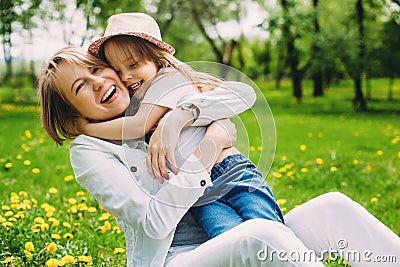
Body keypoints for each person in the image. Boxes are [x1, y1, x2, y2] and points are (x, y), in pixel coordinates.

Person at [38, 45, 400, 267]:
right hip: (180, 257)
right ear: (72, 115)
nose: (99, 80)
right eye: (81, 86)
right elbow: (154, 222)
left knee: (332, 208)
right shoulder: (89, 150)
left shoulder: (152, 102)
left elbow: (235, 96)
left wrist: (185, 116)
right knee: (261, 234)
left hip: (231, 235)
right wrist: (209, 147)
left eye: (97, 68)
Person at [78, 12, 284, 239]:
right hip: (198, 192)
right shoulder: (140, 99)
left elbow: (139, 125)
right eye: (118, 71)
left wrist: (86, 129)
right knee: (230, 239)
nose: (126, 76)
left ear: (156, 58)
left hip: (228, 171)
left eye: (133, 65)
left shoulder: (166, 81)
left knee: (271, 233)